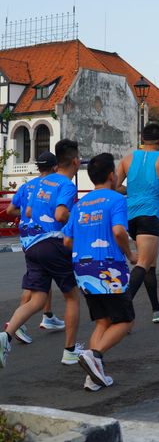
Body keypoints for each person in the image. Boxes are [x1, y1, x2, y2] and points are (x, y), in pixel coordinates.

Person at [1, 139, 82, 369]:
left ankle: (6, 335)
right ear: (75, 162)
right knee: (72, 297)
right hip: (52, 243)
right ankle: (69, 351)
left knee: (37, 298)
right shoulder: (66, 184)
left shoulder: (34, 185)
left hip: (31, 246)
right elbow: (60, 215)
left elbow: (21, 210)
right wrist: (78, 221)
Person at [62, 153, 138, 391]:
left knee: (103, 321)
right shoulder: (116, 199)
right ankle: (94, 355)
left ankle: (93, 377)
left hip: (83, 269)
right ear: (111, 176)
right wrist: (130, 254)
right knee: (126, 321)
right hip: (109, 267)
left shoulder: (79, 205)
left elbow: (66, 241)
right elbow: (118, 231)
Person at [115, 123, 159, 322]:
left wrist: (132, 191)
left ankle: (156, 308)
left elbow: (115, 185)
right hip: (149, 214)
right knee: (144, 263)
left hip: (131, 216)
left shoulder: (127, 159)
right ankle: (122, 308)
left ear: (142, 139)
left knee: (150, 264)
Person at [5, 152, 64, 344]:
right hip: (45, 236)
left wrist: (26, 214)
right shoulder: (54, 185)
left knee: (41, 277)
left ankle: (48, 315)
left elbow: (9, 210)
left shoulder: (27, 186)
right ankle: (17, 324)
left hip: (27, 236)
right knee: (34, 282)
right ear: (55, 167)